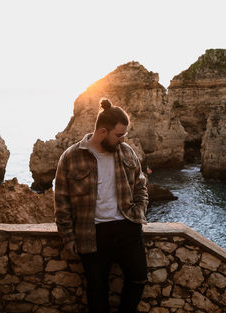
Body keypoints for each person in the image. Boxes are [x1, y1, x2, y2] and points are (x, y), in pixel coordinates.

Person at [54, 98, 148, 313]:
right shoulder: (71, 157)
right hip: (92, 232)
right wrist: (68, 236)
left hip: (127, 226)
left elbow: (140, 185)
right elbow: (61, 200)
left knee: (139, 279)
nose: (123, 139)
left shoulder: (126, 152)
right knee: (97, 290)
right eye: (119, 135)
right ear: (103, 131)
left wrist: (139, 211)